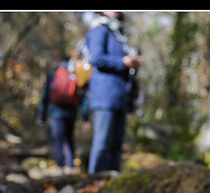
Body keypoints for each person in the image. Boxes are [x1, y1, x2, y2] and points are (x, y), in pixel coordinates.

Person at [83, 12, 141, 174]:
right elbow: (97, 58)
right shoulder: (99, 30)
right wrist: (123, 62)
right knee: (102, 143)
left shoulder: (119, 33)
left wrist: (132, 62)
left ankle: (113, 184)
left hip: (121, 96)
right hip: (104, 95)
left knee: (116, 144)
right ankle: (93, 185)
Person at [38, 54, 90, 174]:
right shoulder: (75, 74)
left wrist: (42, 113)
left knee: (58, 140)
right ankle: (70, 166)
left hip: (56, 111)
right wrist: (85, 117)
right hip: (71, 112)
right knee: (69, 139)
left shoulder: (54, 74)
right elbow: (83, 98)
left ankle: (60, 167)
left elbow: (45, 95)